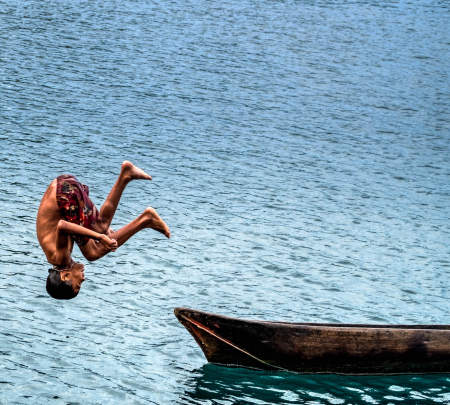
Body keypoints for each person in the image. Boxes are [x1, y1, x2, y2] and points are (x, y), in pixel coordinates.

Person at [36, 161, 170, 300]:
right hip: (64, 186)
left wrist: (100, 237)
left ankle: (146, 220)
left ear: (65, 276)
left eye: (77, 286)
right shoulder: (59, 257)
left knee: (93, 252)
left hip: (63, 193)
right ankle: (126, 175)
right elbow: (66, 226)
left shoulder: (60, 259)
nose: (83, 280)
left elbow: (63, 226)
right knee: (101, 226)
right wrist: (100, 233)